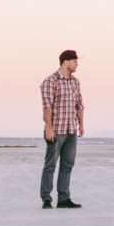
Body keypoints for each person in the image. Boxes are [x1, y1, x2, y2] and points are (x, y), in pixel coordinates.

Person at [39, 50, 84, 209]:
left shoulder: (75, 82)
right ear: (66, 62)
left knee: (67, 165)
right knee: (50, 165)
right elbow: (47, 108)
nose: (77, 64)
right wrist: (48, 128)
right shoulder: (50, 81)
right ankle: (46, 199)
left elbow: (79, 105)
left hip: (71, 130)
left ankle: (64, 198)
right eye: (74, 61)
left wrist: (81, 125)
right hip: (56, 130)